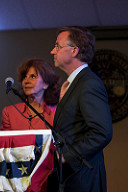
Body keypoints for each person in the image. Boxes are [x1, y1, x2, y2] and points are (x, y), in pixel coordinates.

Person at [50, 26, 113, 192]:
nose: (52, 51)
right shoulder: (73, 84)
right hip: (71, 177)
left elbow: (102, 132)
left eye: (57, 46)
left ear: (74, 51)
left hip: (83, 178)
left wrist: (65, 156)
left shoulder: (88, 83)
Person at [0, 58, 60, 192]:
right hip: (17, 181)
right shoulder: (9, 112)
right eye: (25, 77)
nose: (26, 81)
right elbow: (5, 150)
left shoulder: (56, 113)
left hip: (47, 180)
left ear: (46, 83)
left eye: (32, 76)